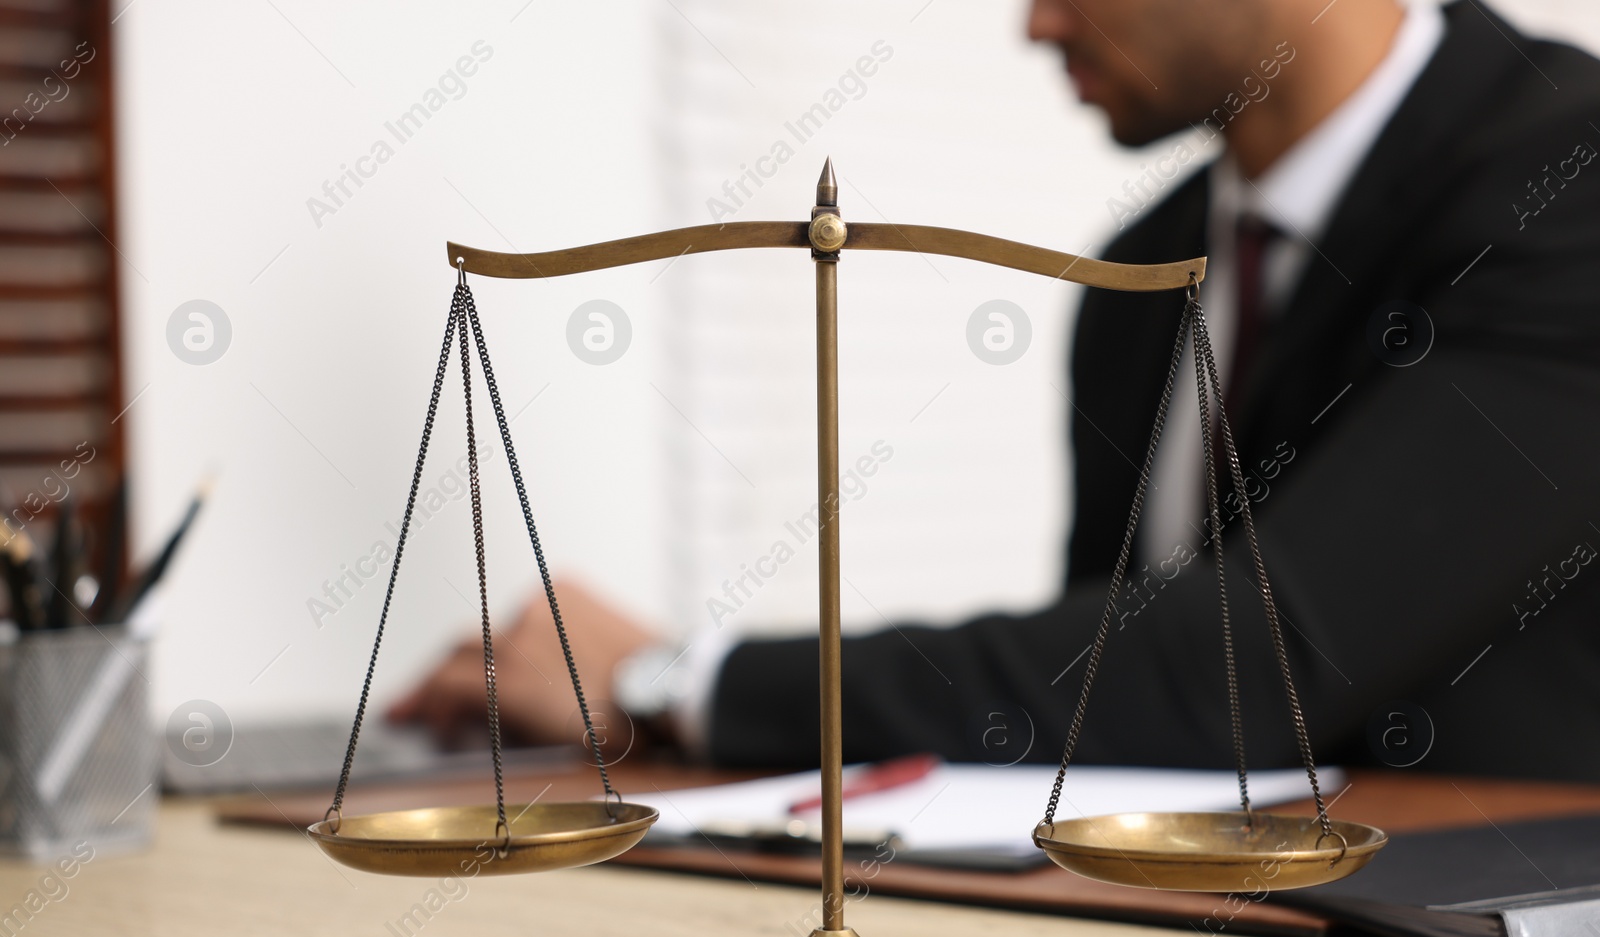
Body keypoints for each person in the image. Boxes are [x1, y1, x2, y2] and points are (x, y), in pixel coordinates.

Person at [392, 0, 1600, 781]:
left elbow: (1251, 665)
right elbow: (1108, 692)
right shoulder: (1141, 270)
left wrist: (675, 678)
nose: (1032, 25)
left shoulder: (1571, 179)